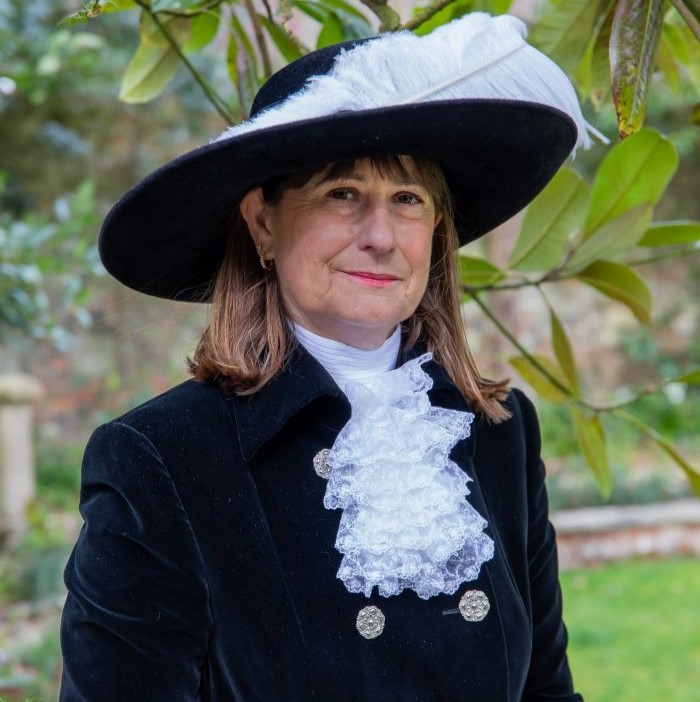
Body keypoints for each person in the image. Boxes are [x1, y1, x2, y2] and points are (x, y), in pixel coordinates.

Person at [60, 12, 599, 702]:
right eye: (342, 194)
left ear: (436, 232)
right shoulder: (161, 458)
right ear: (263, 224)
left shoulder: (497, 428)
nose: (380, 236)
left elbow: (548, 691)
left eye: (407, 200)